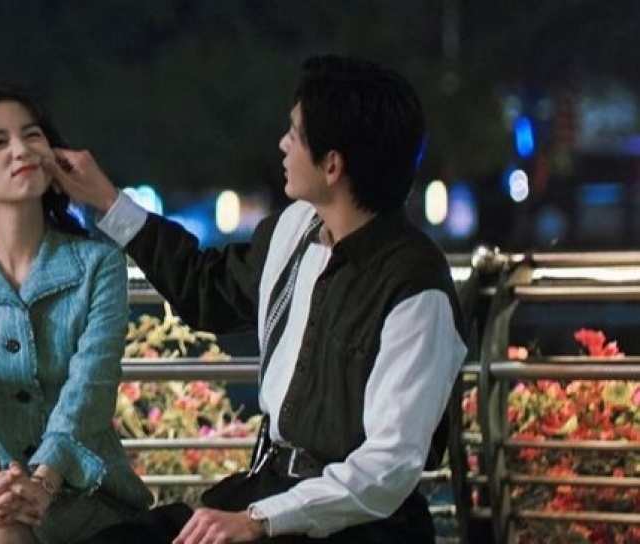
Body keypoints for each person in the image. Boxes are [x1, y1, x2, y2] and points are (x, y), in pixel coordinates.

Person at [44, 55, 468, 543]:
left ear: (332, 165)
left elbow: (387, 467)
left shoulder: (415, 288)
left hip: (360, 526)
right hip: (265, 491)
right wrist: (107, 201)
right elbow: (207, 288)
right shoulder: (297, 228)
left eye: (295, 134)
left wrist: (258, 519)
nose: (282, 144)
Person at [0, 85, 153, 544]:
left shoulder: (99, 265)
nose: (21, 150)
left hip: (83, 487)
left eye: (32, 135)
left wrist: (43, 481)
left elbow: (91, 388)